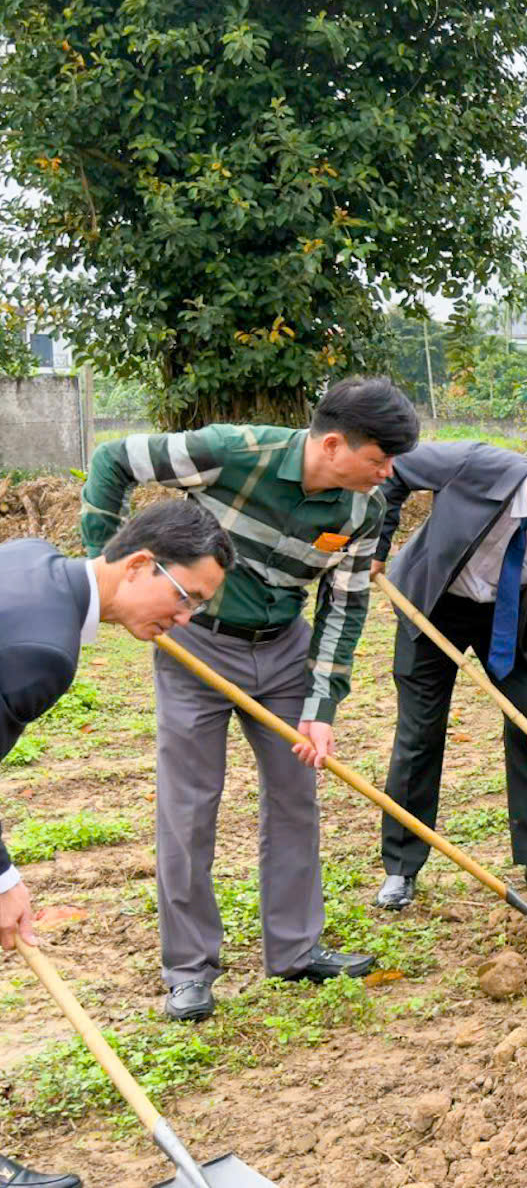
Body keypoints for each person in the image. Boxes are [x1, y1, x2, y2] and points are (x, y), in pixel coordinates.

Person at [81, 377, 419, 1021]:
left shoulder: (363, 511)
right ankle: (189, 970)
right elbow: (113, 460)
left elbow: (345, 607)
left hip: (285, 650)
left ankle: (295, 949)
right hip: (198, 646)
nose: (388, 473)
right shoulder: (231, 452)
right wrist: (108, 571)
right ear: (333, 444)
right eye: (379, 460)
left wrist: (321, 707)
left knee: (296, 797)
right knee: (189, 807)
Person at [0, 502, 233, 1188]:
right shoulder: (41, 651)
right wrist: (3, 881)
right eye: (186, 597)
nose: (185, 618)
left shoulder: (33, 559)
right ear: (139, 564)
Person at [368, 433, 527, 911]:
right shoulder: (472, 464)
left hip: (508, 615)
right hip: (434, 603)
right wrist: (376, 546)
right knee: (420, 733)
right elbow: (394, 469)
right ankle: (401, 866)